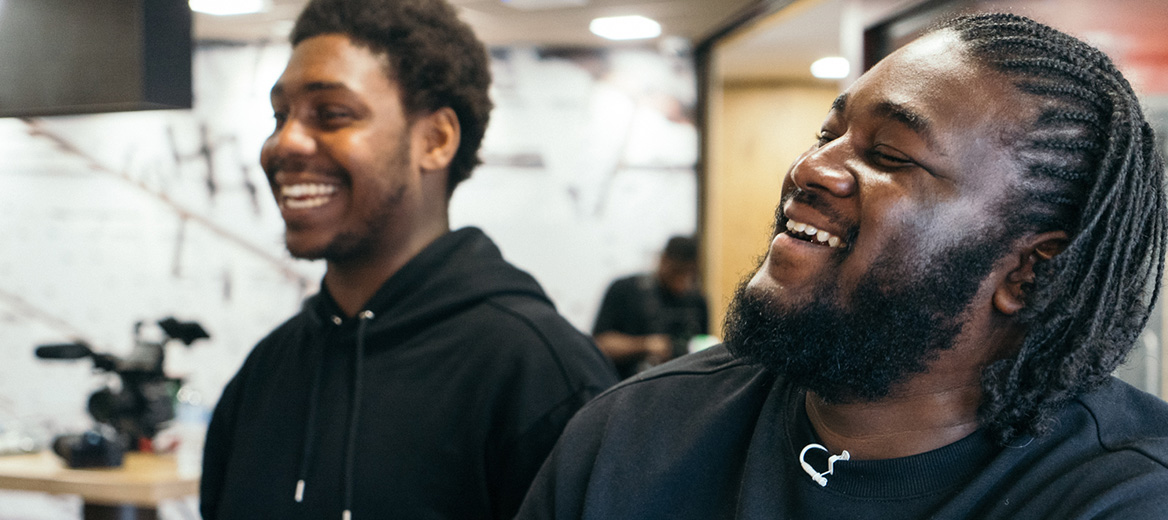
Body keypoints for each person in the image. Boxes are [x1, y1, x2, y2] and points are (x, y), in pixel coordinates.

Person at [516, 13, 1168, 519]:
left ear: (1028, 271)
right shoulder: (635, 436)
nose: (809, 167)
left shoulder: (1121, 497)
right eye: (829, 135)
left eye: (888, 155)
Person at [199, 0, 617, 518]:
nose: (284, 143)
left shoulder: (538, 372)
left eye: (331, 114)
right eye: (279, 116)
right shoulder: (266, 372)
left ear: (435, 140)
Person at [592, 236, 710, 378]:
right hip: (627, 387)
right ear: (663, 260)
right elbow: (600, 345)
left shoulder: (697, 302)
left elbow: (704, 350)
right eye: (677, 271)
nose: (682, 281)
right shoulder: (624, 290)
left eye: (689, 274)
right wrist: (646, 345)